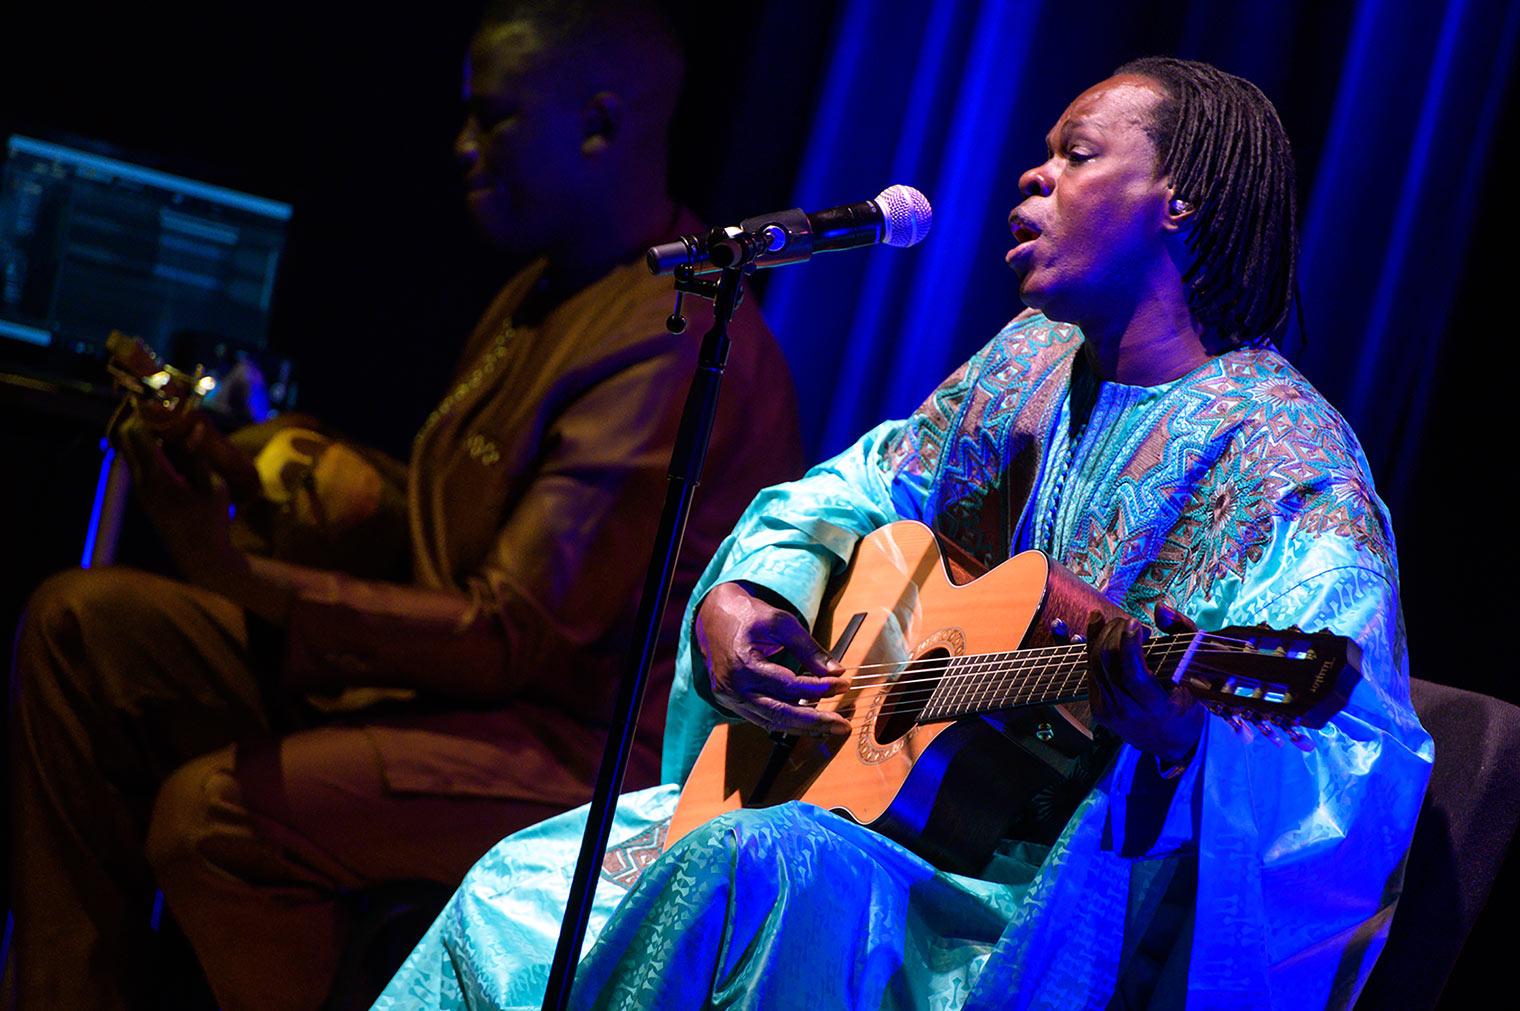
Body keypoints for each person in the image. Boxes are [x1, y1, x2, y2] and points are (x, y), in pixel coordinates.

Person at [376, 57, 1432, 1010]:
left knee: (754, 869)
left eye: (1074, 153)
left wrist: (1177, 742)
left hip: (1026, 906)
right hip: (869, 817)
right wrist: (760, 594)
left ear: (1179, 202)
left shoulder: (1292, 469)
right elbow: (860, 490)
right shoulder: (1023, 364)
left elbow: (1348, 767)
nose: (1030, 175)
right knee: (525, 887)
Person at [5, 2, 803, 1009]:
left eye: (494, 119)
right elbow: (454, 527)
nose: (461, 148)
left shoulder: (669, 337)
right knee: (87, 631)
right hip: (470, 705)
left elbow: (513, 635)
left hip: (584, 757)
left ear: (598, 125)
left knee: (217, 819)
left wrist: (242, 575)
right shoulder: (546, 289)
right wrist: (244, 473)